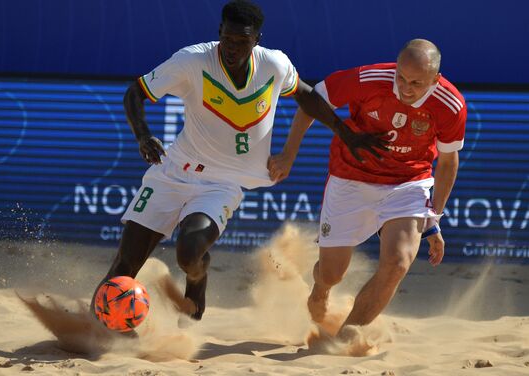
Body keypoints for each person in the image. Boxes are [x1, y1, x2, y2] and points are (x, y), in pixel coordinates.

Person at [91, 0, 385, 323]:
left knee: (189, 254)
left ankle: (196, 277)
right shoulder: (192, 60)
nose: (232, 48)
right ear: (219, 33)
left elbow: (307, 97)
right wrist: (143, 136)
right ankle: (101, 329)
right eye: (227, 39)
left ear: (256, 39)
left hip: (222, 184)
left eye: (241, 41)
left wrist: (346, 133)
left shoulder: (274, 65)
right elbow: (135, 93)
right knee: (124, 267)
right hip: (173, 171)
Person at [273, 39, 467, 338]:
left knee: (398, 262)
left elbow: (448, 162)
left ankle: (348, 336)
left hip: (408, 184)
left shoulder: (450, 104)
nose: (405, 87)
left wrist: (434, 217)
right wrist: (288, 154)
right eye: (401, 77)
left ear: (436, 79)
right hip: (351, 177)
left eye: (416, 82)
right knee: (331, 273)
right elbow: (311, 101)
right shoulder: (368, 79)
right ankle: (321, 289)